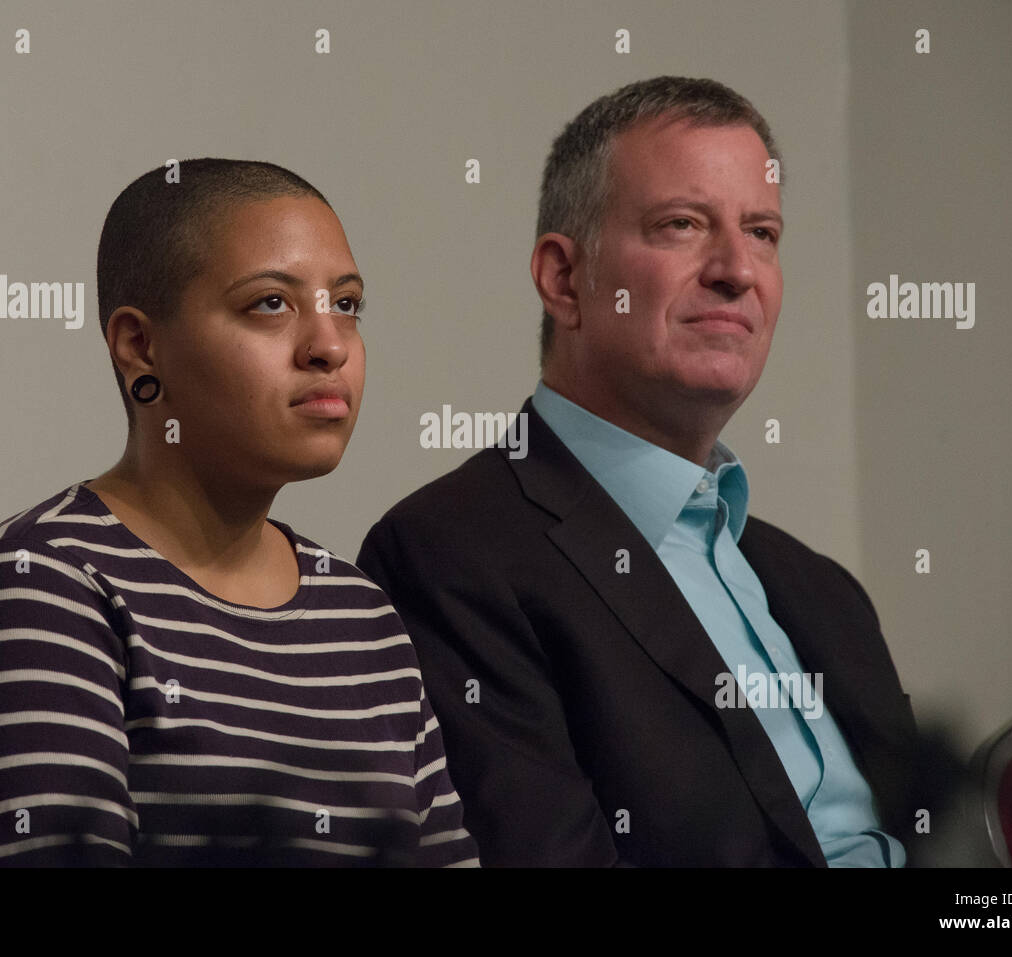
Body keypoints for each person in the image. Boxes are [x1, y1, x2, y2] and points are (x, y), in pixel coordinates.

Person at [357, 77, 920, 866]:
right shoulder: (449, 555)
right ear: (564, 280)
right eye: (682, 224)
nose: (737, 269)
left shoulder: (826, 590)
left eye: (762, 232)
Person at [0, 159, 479, 867]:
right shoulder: (35, 588)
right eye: (270, 303)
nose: (330, 346)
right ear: (141, 346)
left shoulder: (361, 614)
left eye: (347, 304)